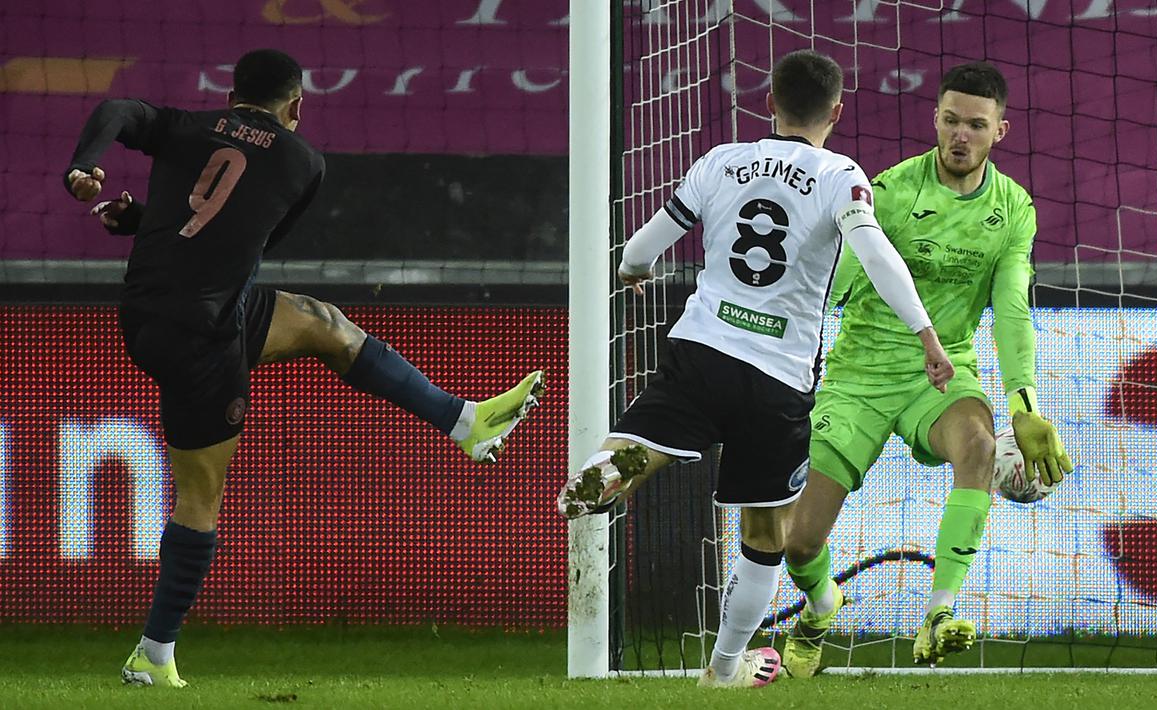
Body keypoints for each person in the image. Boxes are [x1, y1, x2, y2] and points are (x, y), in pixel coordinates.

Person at [63, 49, 544, 688]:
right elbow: (246, 235)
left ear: (232, 93)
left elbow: (119, 110)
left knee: (324, 323)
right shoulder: (303, 162)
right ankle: (153, 655)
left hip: (155, 313)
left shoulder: (185, 125)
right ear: (297, 105)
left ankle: (463, 421)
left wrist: (88, 170)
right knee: (200, 499)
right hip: (203, 335)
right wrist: (153, 223)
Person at [555, 50, 954, 689]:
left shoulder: (719, 161)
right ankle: (722, 669)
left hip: (702, 351)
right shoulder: (841, 174)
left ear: (767, 102)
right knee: (765, 530)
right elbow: (875, 254)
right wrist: (928, 337)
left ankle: (612, 468)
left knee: (643, 438)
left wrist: (633, 272)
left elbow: (639, 249)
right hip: (778, 378)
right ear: (838, 112)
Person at [780, 62, 1075, 677]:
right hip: (859, 374)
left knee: (977, 445)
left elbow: (1012, 310)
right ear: (935, 120)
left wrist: (1025, 409)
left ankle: (939, 613)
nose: (959, 136)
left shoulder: (1014, 209)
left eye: (975, 124)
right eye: (949, 120)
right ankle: (820, 606)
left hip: (941, 375)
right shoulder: (887, 192)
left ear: (1001, 131)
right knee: (800, 543)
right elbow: (831, 285)